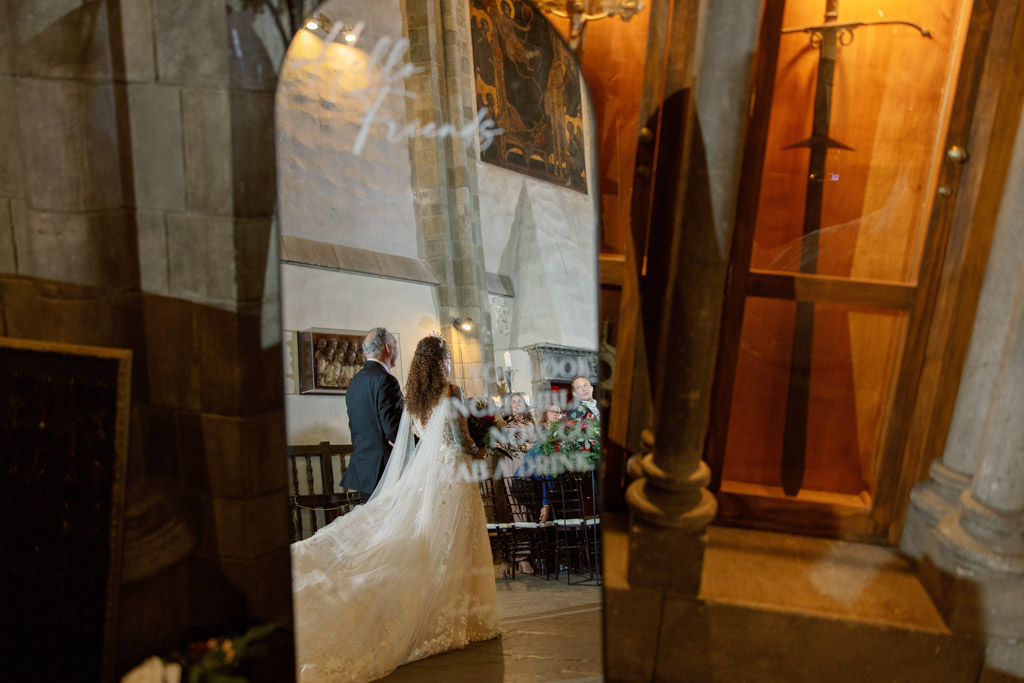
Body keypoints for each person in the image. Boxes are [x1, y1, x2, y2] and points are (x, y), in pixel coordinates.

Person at [291, 335, 500, 682]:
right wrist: (481, 449)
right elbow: (460, 437)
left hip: (428, 473)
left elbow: (417, 437)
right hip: (454, 474)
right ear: (442, 360)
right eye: (447, 357)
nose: (449, 362)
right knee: (459, 544)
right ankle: (464, 616)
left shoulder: (414, 397)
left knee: (433, 541)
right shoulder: (449, 391)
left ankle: (443, 612)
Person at [340, 328, 403, 502]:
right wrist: (423, 446)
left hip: (363, 470)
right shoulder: (386, 381)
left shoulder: (354, 382)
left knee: (372, 526)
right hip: (384, 471)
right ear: (387, 348)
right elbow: (394, 432)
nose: (397, 350)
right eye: (395, 345)